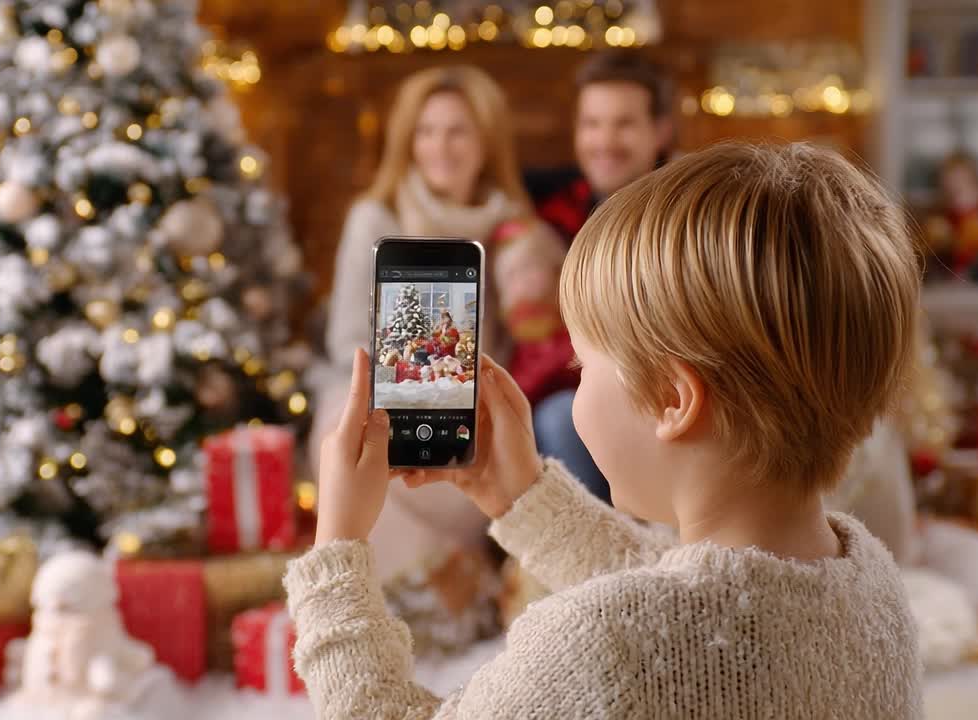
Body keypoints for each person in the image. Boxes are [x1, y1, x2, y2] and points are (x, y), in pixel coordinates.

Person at [290, 142, 922, 718]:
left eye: (582, 363)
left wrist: (337, 553)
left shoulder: (598, 647)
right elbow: (693, 604)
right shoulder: (872, 587)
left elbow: (643, 630)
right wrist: (523, 499)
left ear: (674, 400)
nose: (572, 381)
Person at [308, 66, 563, 585]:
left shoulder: (515, 227)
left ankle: (454, 581)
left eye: (457, 131)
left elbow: (531, 344)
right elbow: (346, 338)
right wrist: (407, 384)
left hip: (476, 399)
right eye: (426, 131)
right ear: (408, 142)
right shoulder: (375, 216)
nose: (439, 147)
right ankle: (424, 585)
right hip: (391, 389)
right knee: (340, 424)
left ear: (485, 141)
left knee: (490, 438)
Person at [520, 51, 676, 504]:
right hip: (579, 391)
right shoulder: (558, 206)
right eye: (592, 123)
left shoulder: (683, 217)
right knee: (548, 415)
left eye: (623, 123)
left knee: (558, 418)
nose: (604, 140)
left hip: (660, 392)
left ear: (660, 131)